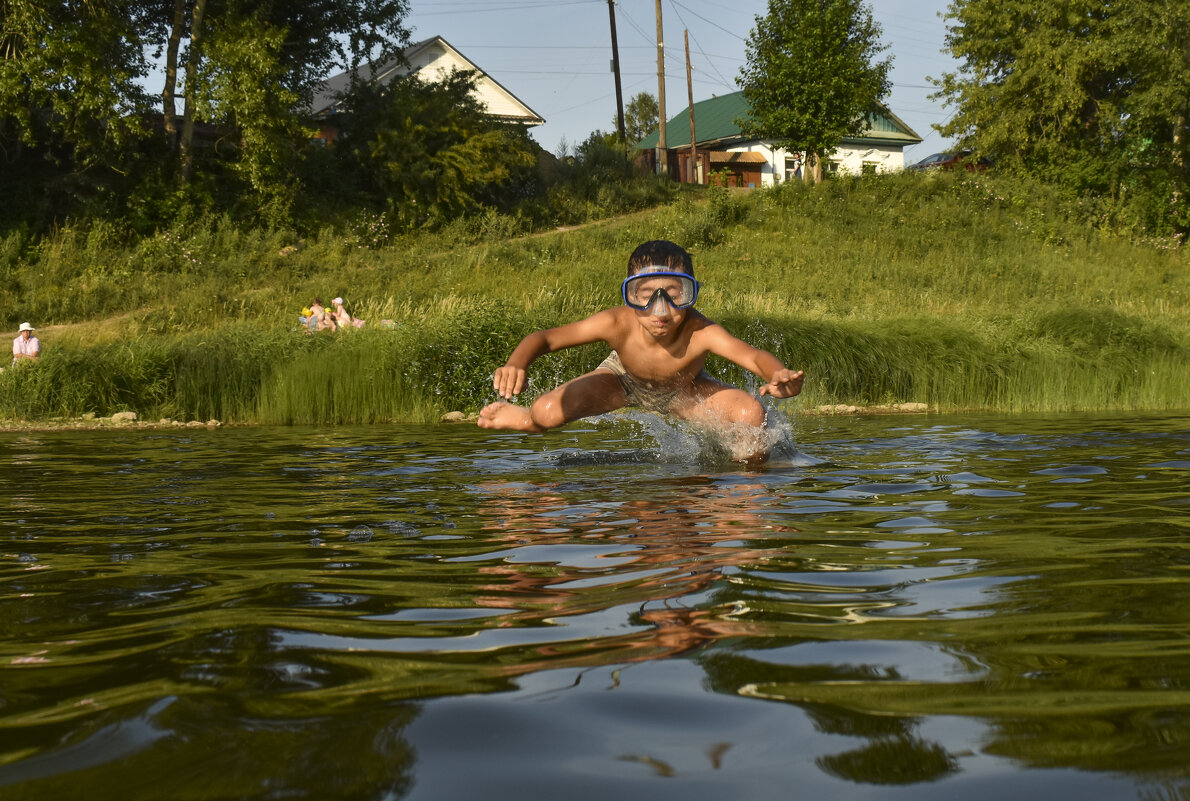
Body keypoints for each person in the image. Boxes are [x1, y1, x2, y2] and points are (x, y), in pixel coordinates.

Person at [477, 240, 804, 462]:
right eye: (644, 294)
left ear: (691, 293)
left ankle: (745, 491)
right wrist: (517, 362)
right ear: (629, 294)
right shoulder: (616, 322)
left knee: (752, 416)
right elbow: (545, 338)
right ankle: (524, 421)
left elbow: (751, 355)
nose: (659, 309)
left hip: (683, 391)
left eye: (674, 294)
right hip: (620, 382)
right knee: (546, 412)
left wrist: (777, 374)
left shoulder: (701, 331)